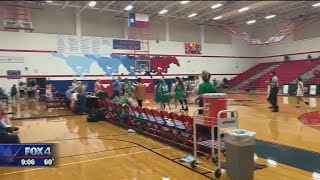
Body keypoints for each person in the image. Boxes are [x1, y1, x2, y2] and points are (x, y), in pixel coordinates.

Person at [195, 70, 217, 138]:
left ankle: (203, 132)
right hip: (212, 104)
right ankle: (213, 132)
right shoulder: (212, 85)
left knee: (202, 118)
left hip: (203, 103)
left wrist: (196, 99)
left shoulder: (201, 85)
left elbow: (201, 95)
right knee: (211, 117)